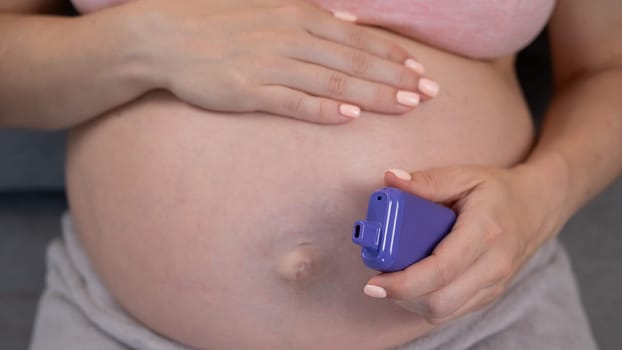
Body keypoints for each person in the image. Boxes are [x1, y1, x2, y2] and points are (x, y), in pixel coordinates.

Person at [1, 0, 619, 349]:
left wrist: (543, 197)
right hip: (125, 331)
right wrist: (142, 44)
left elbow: (609, 69)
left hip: (484, 319)